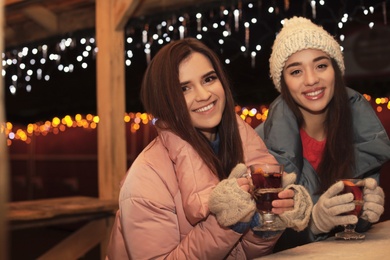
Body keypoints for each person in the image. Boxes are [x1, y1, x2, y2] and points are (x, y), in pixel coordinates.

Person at [106, 38, 312, 259]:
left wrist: (268, 220)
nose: (204, 95)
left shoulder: (241, 149)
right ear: (164, 102)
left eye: (209, 79)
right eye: (184, 88)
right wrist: (226, 222)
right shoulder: (146, 177)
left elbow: (238, 254)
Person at [255, 16, 390, 251]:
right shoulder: (258, 145)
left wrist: (365, 214)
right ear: (283, 82)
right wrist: (313, 223)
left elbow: (352, 226)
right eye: (296, 71)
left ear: (335, 70)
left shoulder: (361, 132)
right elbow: (258, 239)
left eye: (321, 65)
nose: (311, 80)